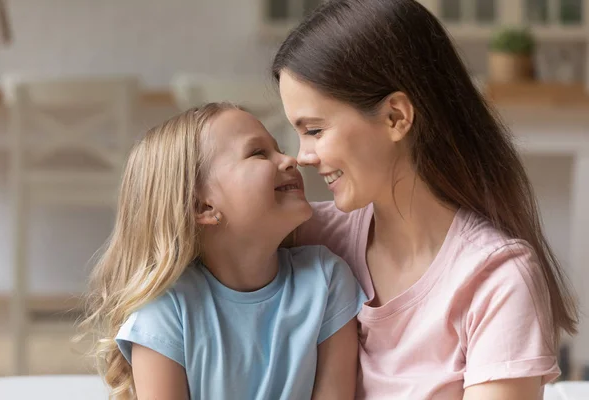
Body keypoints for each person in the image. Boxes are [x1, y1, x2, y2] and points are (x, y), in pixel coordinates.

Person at [272, 0, 578, 398]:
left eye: (314, 129)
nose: (303, 156)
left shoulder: (496, 278)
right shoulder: (308, 237)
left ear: (396, 117)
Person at [80, 103, 367, 399]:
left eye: (277, 148)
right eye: (258, 153)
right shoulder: (165, 311)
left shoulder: (327, 280)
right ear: (202, 206)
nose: (289, 159)